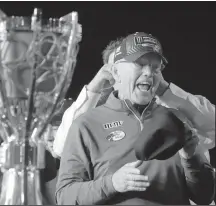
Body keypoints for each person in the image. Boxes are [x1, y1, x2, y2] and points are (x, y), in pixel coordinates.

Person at [56, 32, 215, 205]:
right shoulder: (85, 124)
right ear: (115, 72)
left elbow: (205, 197)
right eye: (140, 64)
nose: (149, 72)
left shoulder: (178, 119)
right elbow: (65, 197)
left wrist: (191, 158)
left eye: (156, 67)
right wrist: (112, 183)